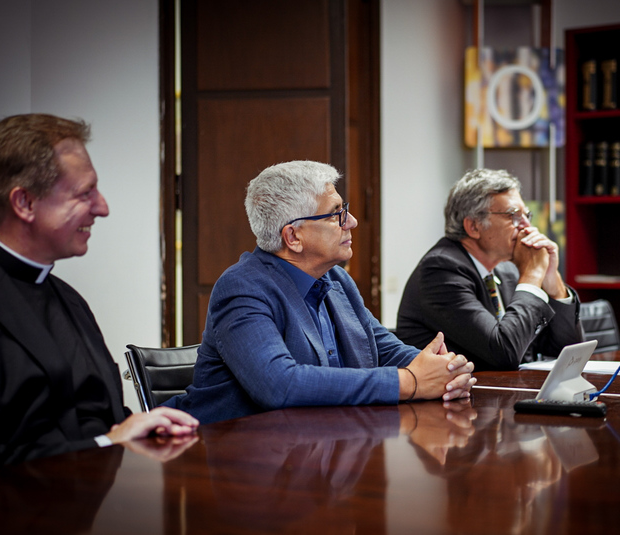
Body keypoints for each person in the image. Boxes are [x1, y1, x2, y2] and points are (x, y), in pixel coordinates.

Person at [0, 114, 198, 476]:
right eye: (84, 193)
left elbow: (107, 417)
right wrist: (108, 443)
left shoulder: (68, 299)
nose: (102, 208)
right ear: (24, 202)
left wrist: (146, 429)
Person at [166, 160, 476, 424]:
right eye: (335, 214)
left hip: (314, 451)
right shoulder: (242, 288)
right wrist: (409, 382)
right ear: (293, 236)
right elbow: (280, 384)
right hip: (234, 461)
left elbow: (385, 351)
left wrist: (445, 369)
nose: (351, 222)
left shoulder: (338, 281)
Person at [396, 168, 583, 371]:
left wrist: (551, 279)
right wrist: (532, 275)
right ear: (474, 226)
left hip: (505, 394)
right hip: (452, 399)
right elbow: (504, 352)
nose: (527, 226)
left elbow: (569, 351)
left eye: (526, 215)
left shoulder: (506, 271)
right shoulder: (440, 271)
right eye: (513, 216)